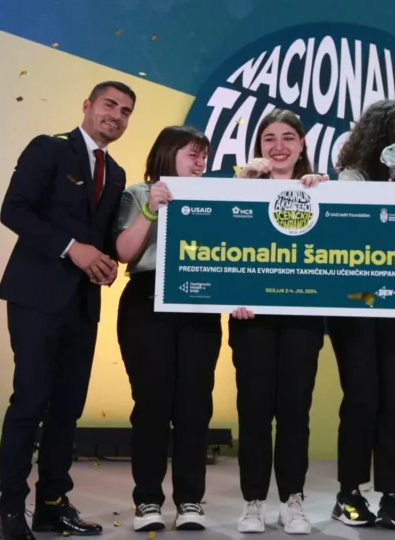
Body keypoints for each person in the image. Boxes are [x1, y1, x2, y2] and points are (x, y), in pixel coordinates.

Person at [0, 81, 136, 540]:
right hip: (36, 297)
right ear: (88, 105)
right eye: (109, 104)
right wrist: (72, 248)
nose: (116, 115)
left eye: (126, 111)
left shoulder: (116, 173)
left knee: (67, 410)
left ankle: (52, 506)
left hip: (82, 304)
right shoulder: (49, 149)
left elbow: (102, 237)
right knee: (30, 402)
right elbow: (14, 210)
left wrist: (106, 263)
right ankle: (11, 510)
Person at [113, 125, 221, 532]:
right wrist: (151, 208)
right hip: (147, 299)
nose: (200, 162)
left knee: (195, 404)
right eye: (193, 154)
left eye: (204, 155)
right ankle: (147, 500)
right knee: (152, 403)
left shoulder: (212, 194)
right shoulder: (138, 193)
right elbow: (124, 252)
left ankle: (190, 500)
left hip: (199, 301)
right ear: (167, 152)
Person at [228, 109, 330, 535]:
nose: (279, 146)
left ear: (302, 144)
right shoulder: (241, 187)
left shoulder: (321, 190)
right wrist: (231, 295)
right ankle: (253, 502)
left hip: (302, 318)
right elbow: (220, 244)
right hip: (251, 317)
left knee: (294, 412)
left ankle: (293, 500)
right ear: (259, 146)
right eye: (269, 138)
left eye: (288, 137)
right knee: (253, 411)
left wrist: (326, 195)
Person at [328, 98, 395, 531]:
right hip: (353, 300)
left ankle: (390, 495)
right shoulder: (352, 176)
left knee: (391, 397)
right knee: (362, 396)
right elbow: (354, 227)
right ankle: (348, 493)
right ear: (388, 134)